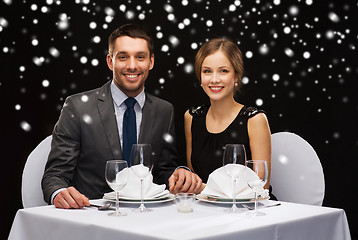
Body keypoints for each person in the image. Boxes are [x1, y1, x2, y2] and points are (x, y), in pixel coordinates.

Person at [42, 23, 202, 209]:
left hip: (147, 217)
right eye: (123, 57)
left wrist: (178, 173)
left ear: (151, 62)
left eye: (140, 57)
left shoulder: (164, 110)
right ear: (110, 62)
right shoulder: (77, 107)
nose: (132, 66)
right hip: (94, 216)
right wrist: (58, 192)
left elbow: (162, 170)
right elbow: (55, 175)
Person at [184, 37, 274, 195]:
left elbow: (260, 188)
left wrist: (205, 189)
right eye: (207, 71)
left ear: (237, 76)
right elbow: (193, 179)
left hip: (249, 211)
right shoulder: (192, 117)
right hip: (206, 209)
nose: (214, 79)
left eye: (223, 71)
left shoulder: (254, 120)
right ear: (200, 77)